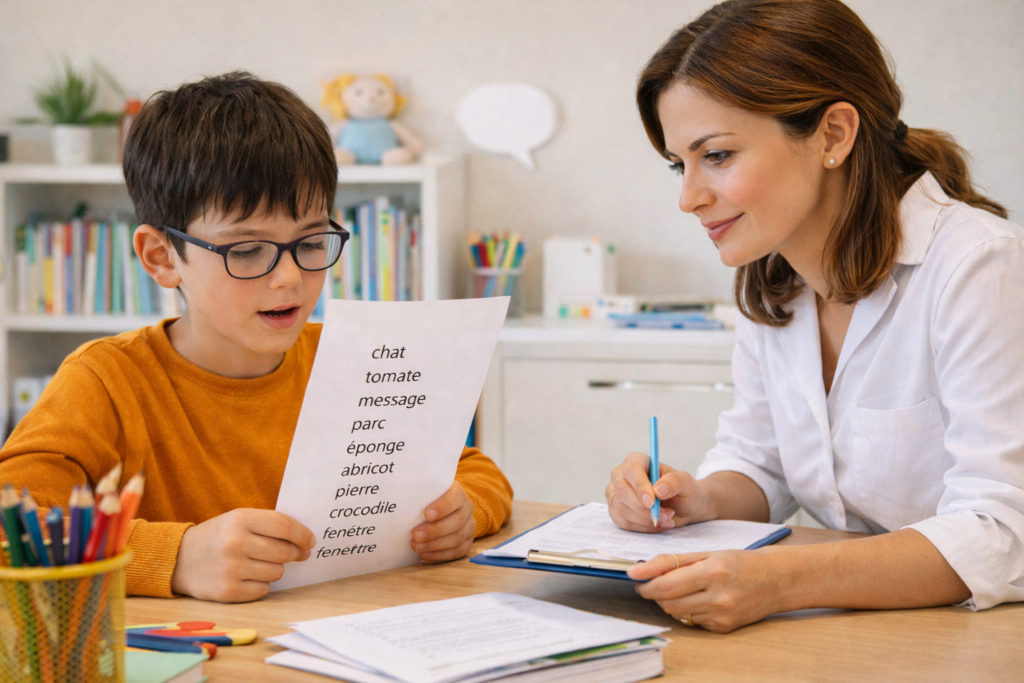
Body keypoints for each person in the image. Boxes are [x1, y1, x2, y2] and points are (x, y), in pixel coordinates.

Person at [0, 72, 513, 603]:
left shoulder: (349, 360)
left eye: (312, 241)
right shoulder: (106, 380)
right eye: (245, 251)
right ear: (161, 257)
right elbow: (9, 530)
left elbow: (474, 469)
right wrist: (174, 557)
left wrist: (466, 511)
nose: (289, 277)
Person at [607, 0, 1024, 633]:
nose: (688, 197)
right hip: (857, 632)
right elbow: (761, 459)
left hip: (979, 636)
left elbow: (1003, 530)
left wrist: (777, 582)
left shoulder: (979, 267)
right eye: (679, 164)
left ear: (833, 134)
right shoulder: (774, 278)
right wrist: (698, 500)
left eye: (716, 155)